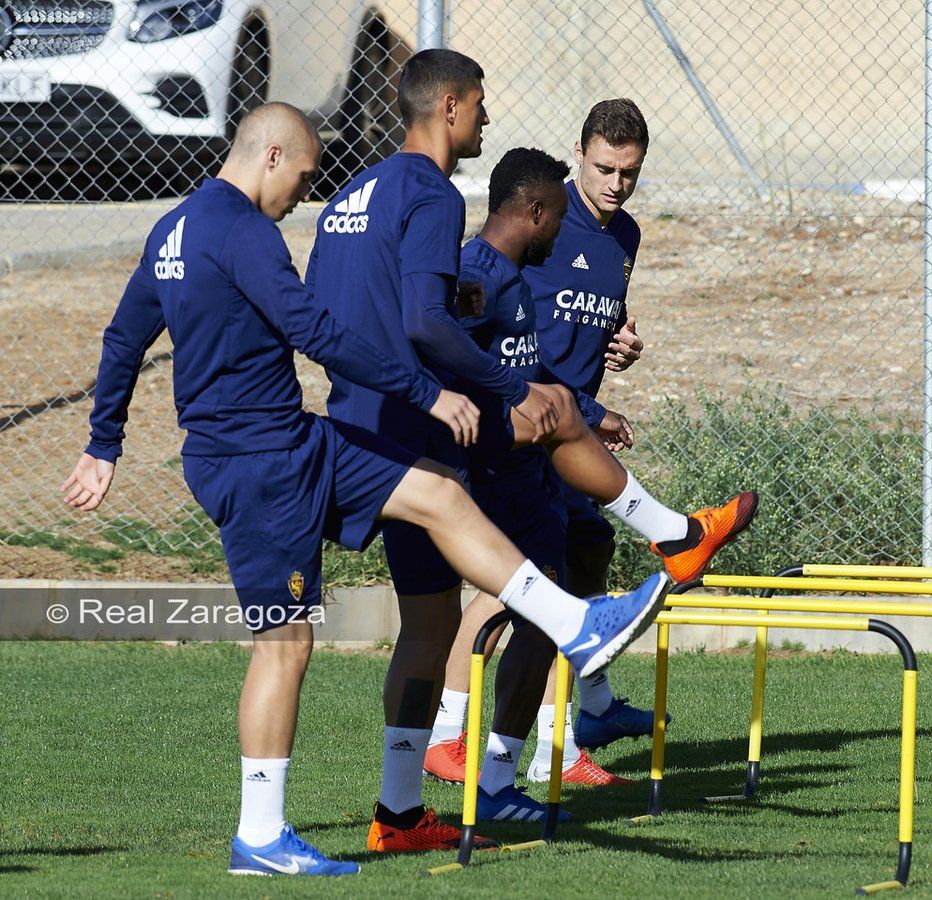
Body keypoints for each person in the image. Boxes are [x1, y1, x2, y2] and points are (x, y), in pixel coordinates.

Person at [60, 101, 670, 876]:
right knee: (285, 644)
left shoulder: (174, 229)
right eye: (306, 177)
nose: (302, 197)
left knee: (438, 498)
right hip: (259, 462)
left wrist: (102, 443)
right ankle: (260, 834)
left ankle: (569, 628)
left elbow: (124, 337)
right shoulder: (242, 229)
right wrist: (423, 391)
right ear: (273, 156)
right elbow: (311, 330)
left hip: (296, 439)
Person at [306, 52, 759, 846]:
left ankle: (400, 812)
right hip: (415, 431)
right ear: (448, 106)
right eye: (479, 105)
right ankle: (671, 539)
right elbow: (423, 320)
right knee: (286, 642)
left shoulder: (353, 193)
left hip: (366, 423)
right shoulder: (431, 193)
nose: (486, 118)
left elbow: (344, 309)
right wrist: (489, 385)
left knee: (429, 625)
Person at [427, 99, 663, 785]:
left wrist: (620, 342)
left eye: (630, 172)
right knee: (522, 584)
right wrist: (585, 408)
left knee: (584, 561)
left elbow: (590, 317)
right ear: (579, 153)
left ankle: (570, 731)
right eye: (604, 168)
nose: (616, 184)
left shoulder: (626, 237)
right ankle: (451, 732)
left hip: (571, 427)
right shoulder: (537, 218)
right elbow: (494, 329)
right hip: (528, 427)